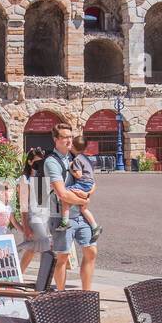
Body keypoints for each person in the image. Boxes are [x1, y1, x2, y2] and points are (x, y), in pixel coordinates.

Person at [44, 123, 97, 291]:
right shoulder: (52, 162)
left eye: (70, 137)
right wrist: (83, 201)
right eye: (64, 137)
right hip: (61, 217)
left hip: (79, 215)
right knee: (63, 258)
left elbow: (91, 182)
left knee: (91, 252)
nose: (68, 140)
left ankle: (86, 293)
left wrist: (88, 194)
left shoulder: (75, 157)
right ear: (56, 140)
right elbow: (62, 194)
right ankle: (61, 293)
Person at [56, 136, 101, 243]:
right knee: (83, 208)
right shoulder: (86, 158)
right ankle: (95, 226)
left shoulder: (76, 159)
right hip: (89, 184)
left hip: (82, 184)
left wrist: (70, 168)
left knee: (65, 196)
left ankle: (65, 222)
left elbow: (79, 175)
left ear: (73, 147)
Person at [16, 148, 50, 276]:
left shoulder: (43, 178)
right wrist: (25, 226)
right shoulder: (25, 179)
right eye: (37, 162)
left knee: (31, 250)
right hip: (33, 219)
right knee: (44, 247)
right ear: (30, 162)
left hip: (45, 217)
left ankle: (18, 276)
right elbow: (23, 205)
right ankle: (43, 278)